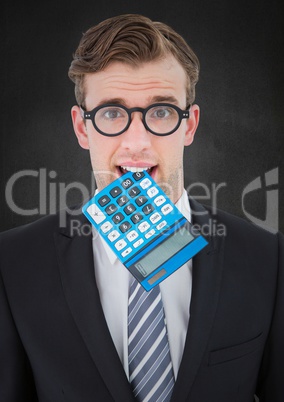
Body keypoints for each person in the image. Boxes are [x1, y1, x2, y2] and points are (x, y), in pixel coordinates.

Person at [0, 13, 283, 402]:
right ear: (82, 128)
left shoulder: (268, 259)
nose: (137, 142)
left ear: (189, 125)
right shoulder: (12, 262)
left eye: (162, 111)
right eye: (112, 113)